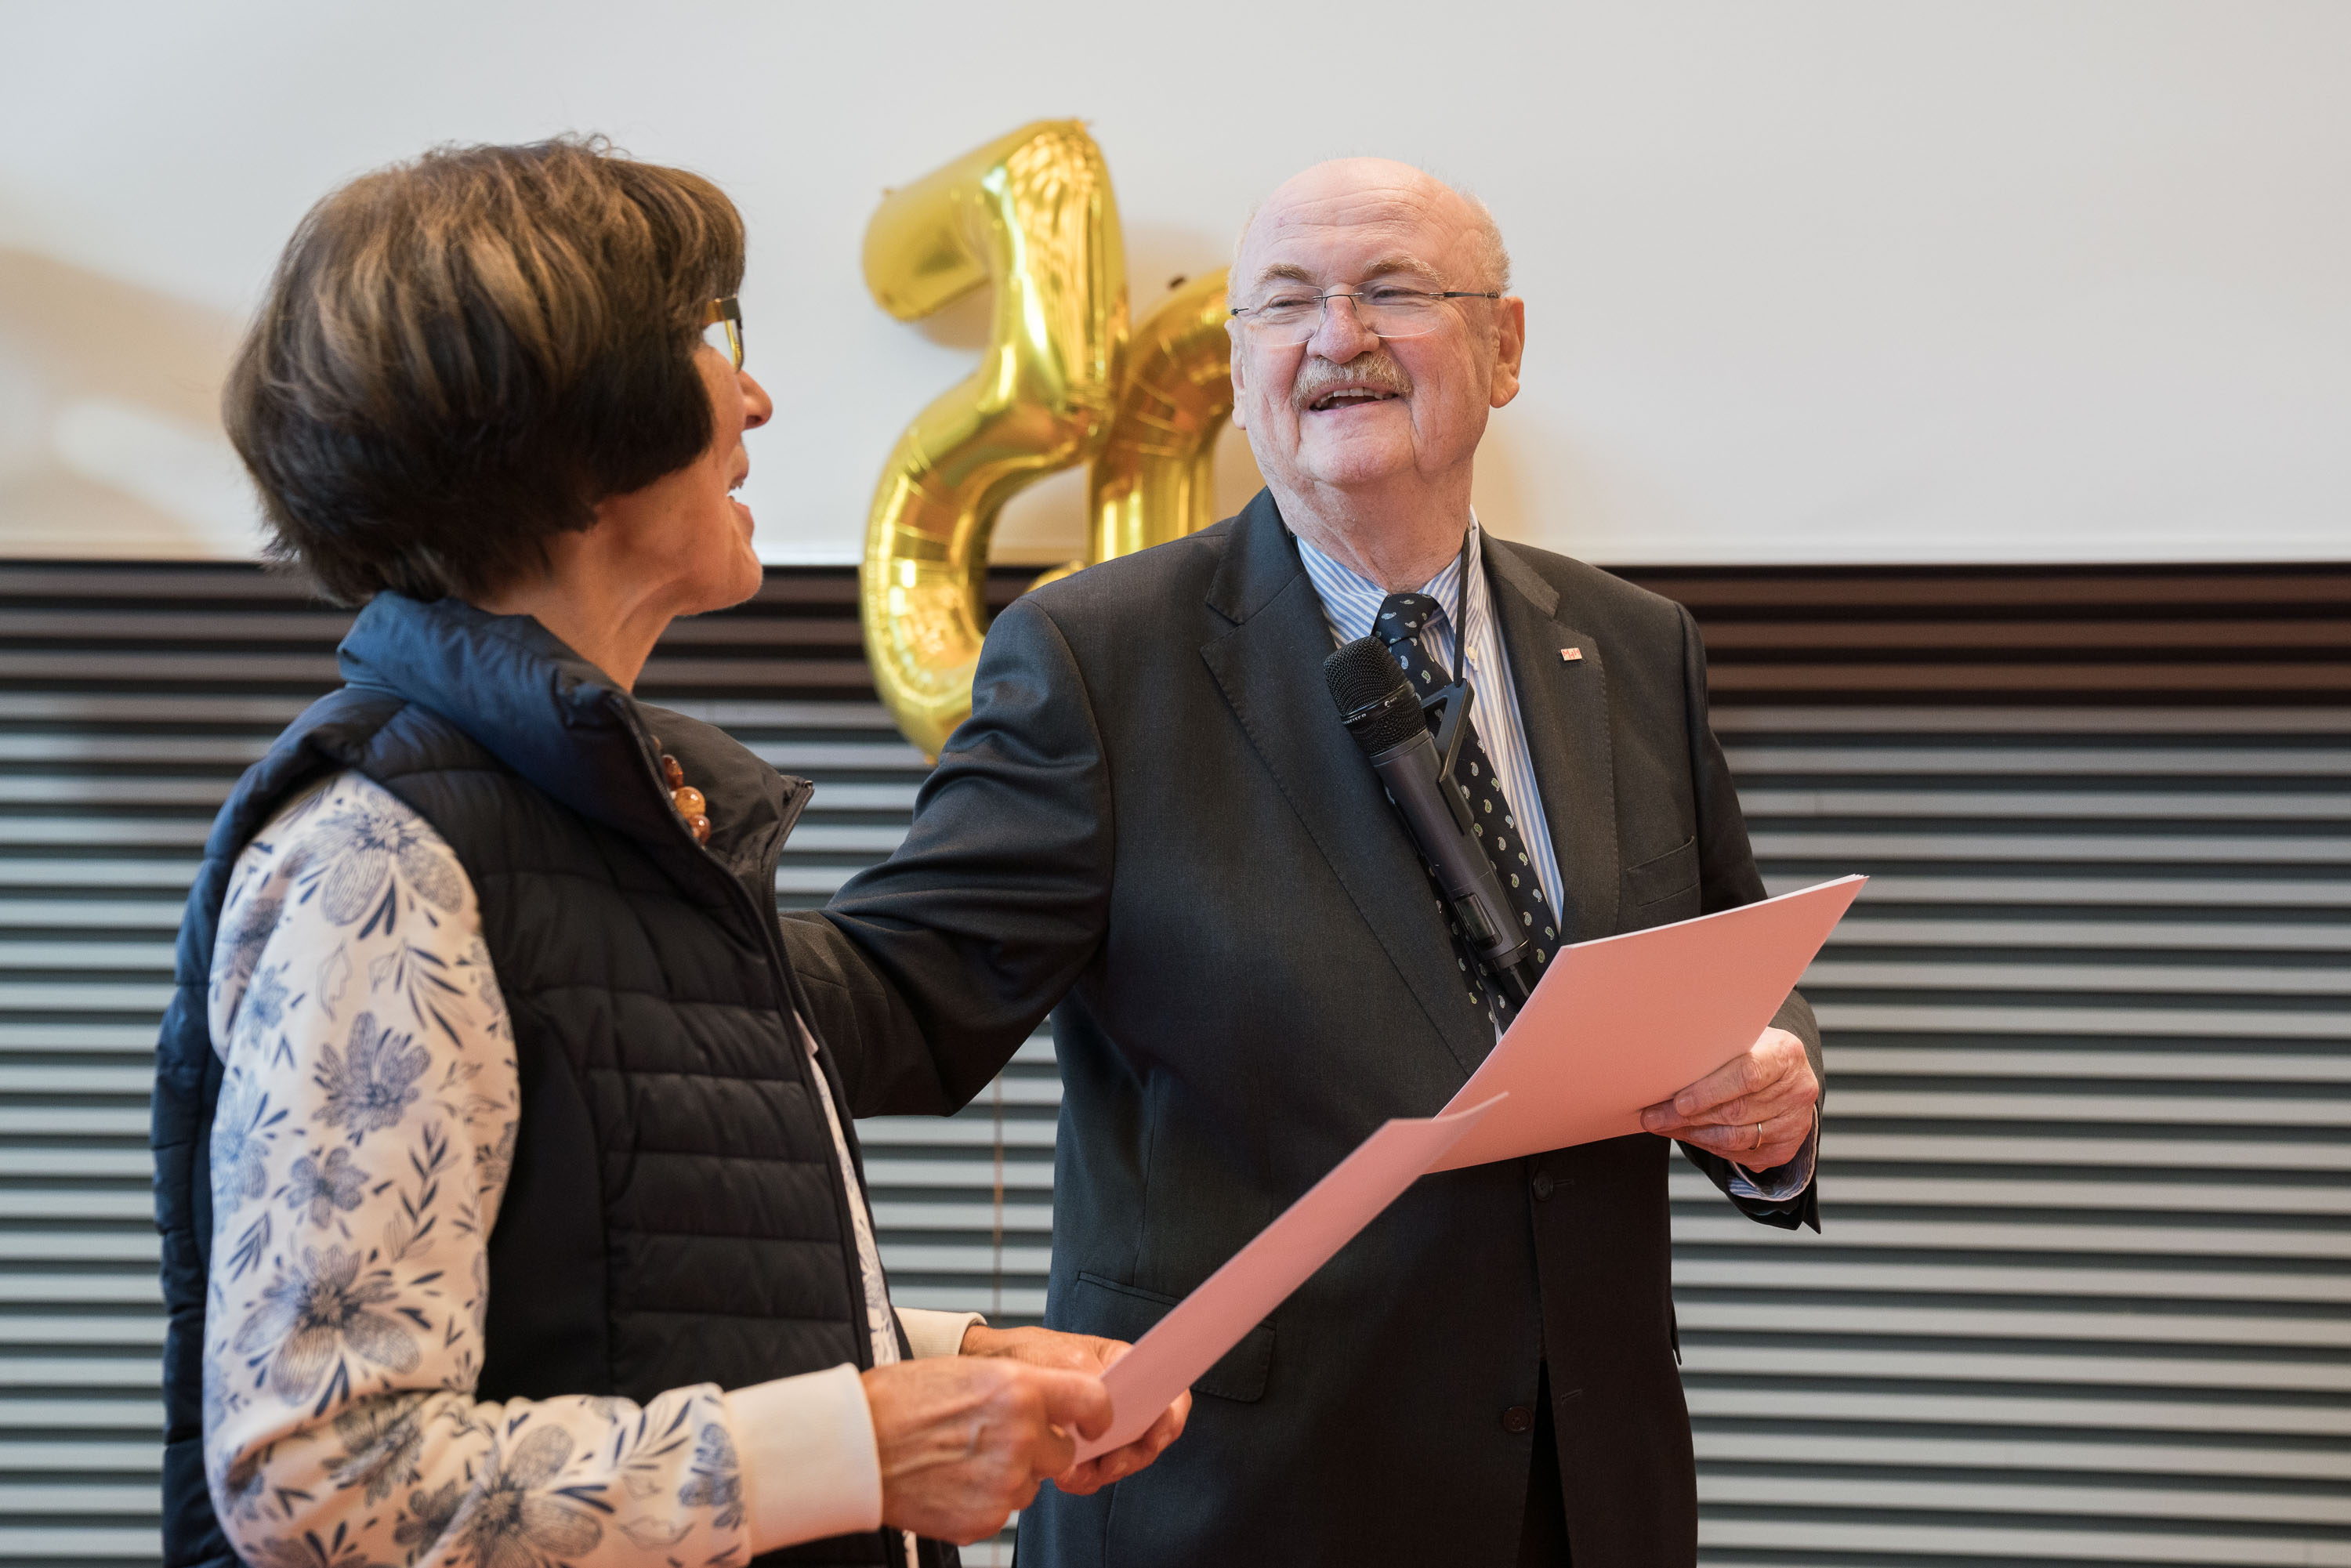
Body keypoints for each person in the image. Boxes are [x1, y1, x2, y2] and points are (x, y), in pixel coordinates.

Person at [149, 139, 1185, 1568]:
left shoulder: (631, 826)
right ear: (573, 418)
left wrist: (944, 1362)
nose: (752, 394)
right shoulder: (378, 859)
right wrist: (867, 1443)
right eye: (712, 341)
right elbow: (328, 1476)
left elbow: (621, 1294)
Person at [781, 158, 1823, 1567]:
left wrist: (1774, 1087)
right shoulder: (1098, 657)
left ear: (1503, 347)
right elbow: (902, 996)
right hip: (1230, 1496)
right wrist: (653, 923)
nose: (1338, 336)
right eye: (1284, 303)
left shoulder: (1635, 645)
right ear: (1237, 367)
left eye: (1394, 290)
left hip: (1582, 1499)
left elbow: (1723, 959)